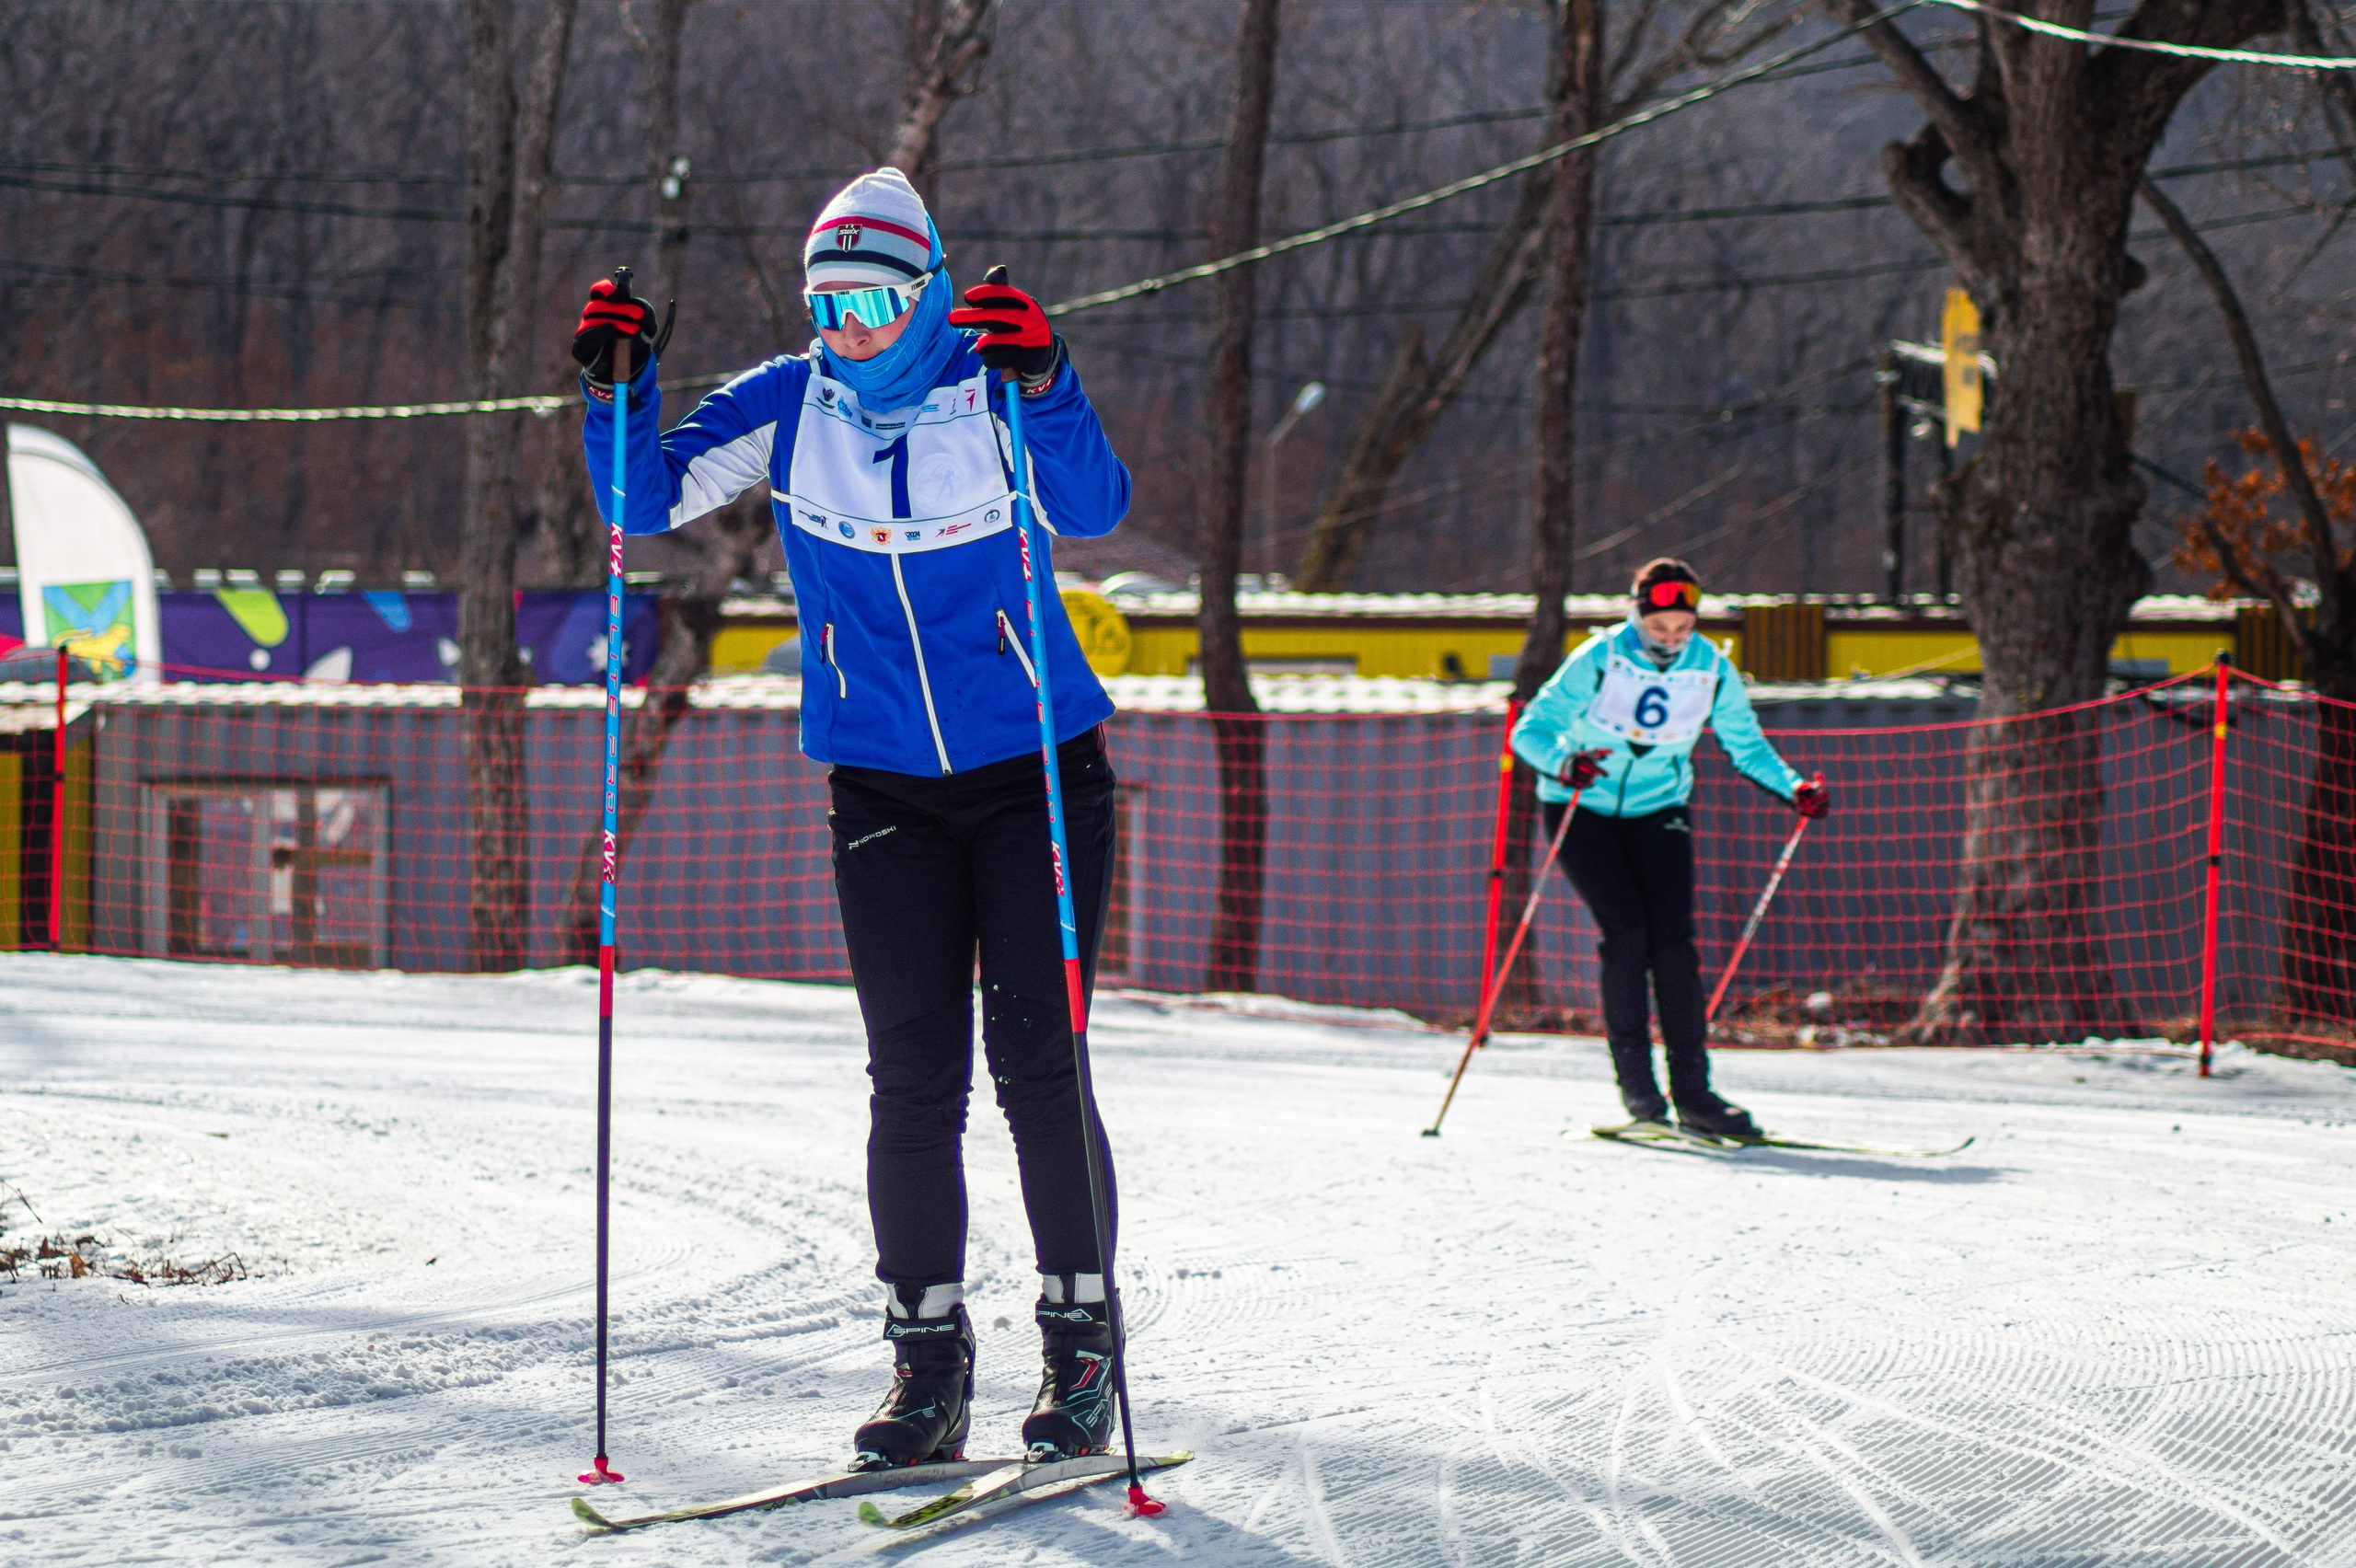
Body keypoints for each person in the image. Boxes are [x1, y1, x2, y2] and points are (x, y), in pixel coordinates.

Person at [572, 167, 1133, 1469]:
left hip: (1034, 768)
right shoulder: (787, 404)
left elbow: (1097, 508)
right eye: (829, 299)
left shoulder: (991, 387)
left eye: (880, 296)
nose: (854, 324)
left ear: (929, 289)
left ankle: (1082, 1347)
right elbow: (639, 501)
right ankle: (927, 1363)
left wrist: (1049, 381)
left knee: (1038, 1069)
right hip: (880, 781)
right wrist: (617, 387)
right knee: (910, 1081)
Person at [1509, 558, 1828, 1139]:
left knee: (1675, 947)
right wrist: (1563, 762)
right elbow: (1529, 728)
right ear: (1637, 613)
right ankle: (1638, 1087)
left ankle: (1695, 1094)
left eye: (1683, 628)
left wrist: (1794, 788)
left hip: (1659, 809)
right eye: (1659, 628)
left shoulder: (1711, 667)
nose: (1671, 640)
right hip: (1581, 806)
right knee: (1627, 933)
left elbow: (1747, 746)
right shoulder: (1600, 658)